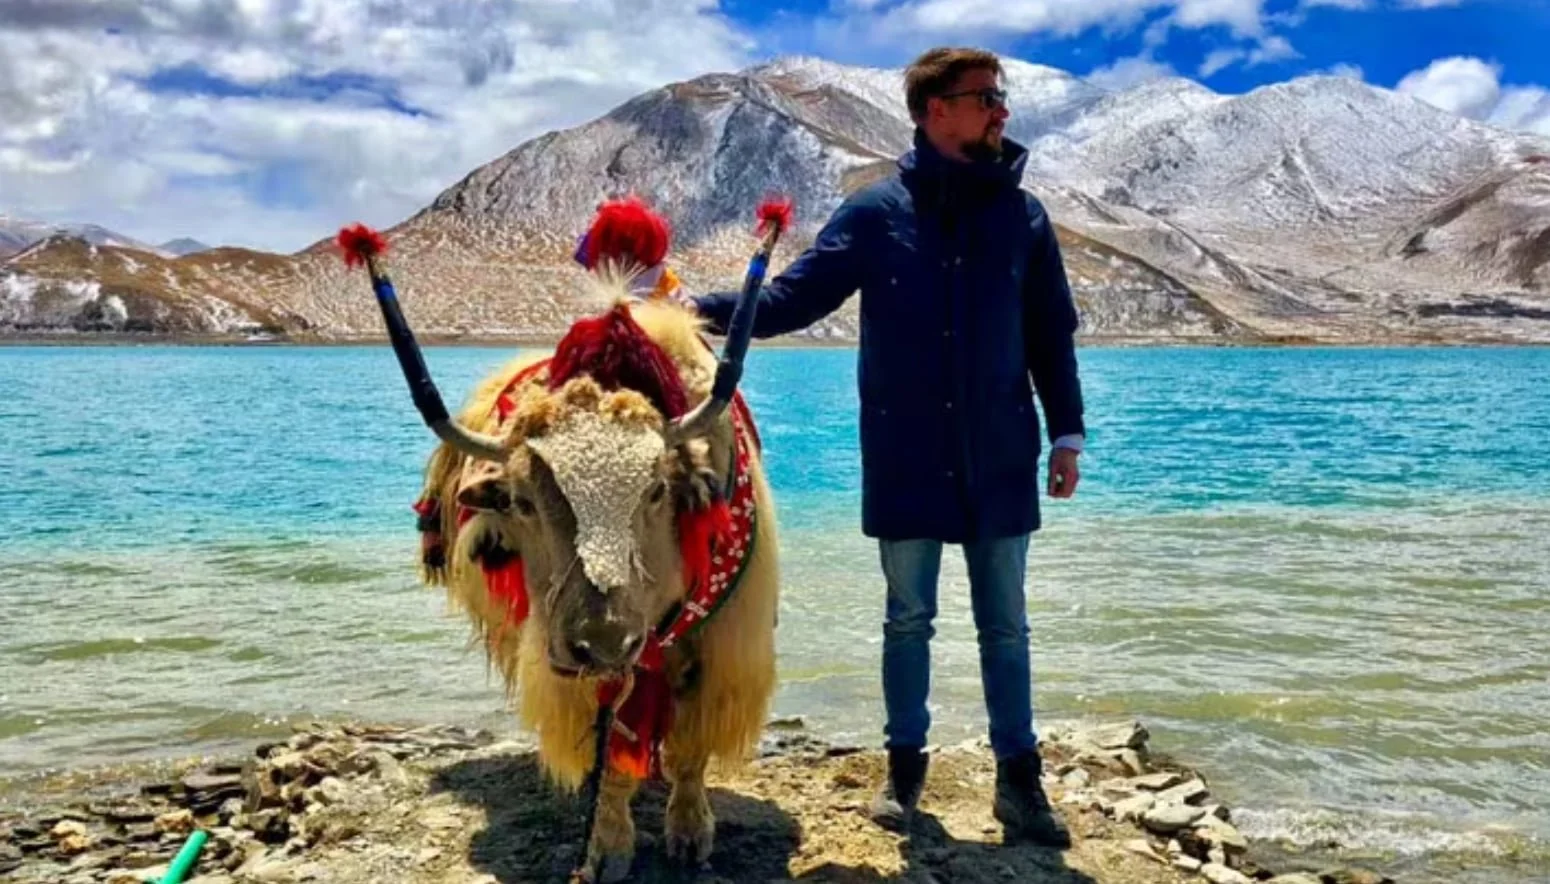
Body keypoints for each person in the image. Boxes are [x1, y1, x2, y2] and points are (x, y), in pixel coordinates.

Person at [690, 46, 1084, 848]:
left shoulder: (1025, 217)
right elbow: (795, 299)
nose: (1001, 110)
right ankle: (904, 774)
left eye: (999, 96)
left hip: (1001, 451)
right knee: (907, 618)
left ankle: (1019, 782)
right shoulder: (876, 213)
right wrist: (690, 309)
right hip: (907, 453)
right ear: (937, 110)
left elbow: (1051, 333)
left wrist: (1067, 432)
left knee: (1006, 625)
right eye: (985, 97)